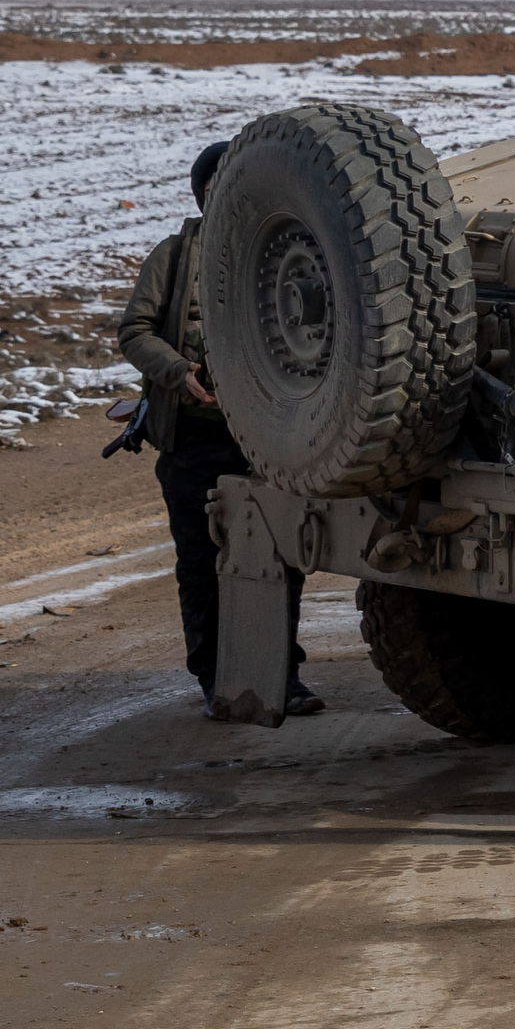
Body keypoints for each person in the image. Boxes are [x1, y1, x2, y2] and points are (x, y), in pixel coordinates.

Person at [116, 141, 319, 719]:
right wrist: (178, 371)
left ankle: (281, 677)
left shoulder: (286, 249)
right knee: (202, 563)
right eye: (219, 186)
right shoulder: (176, 256)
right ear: (205, 195)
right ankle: (215, 677)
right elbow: (135, 330)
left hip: (270, 437)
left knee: (280, 558)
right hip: (195, 437)